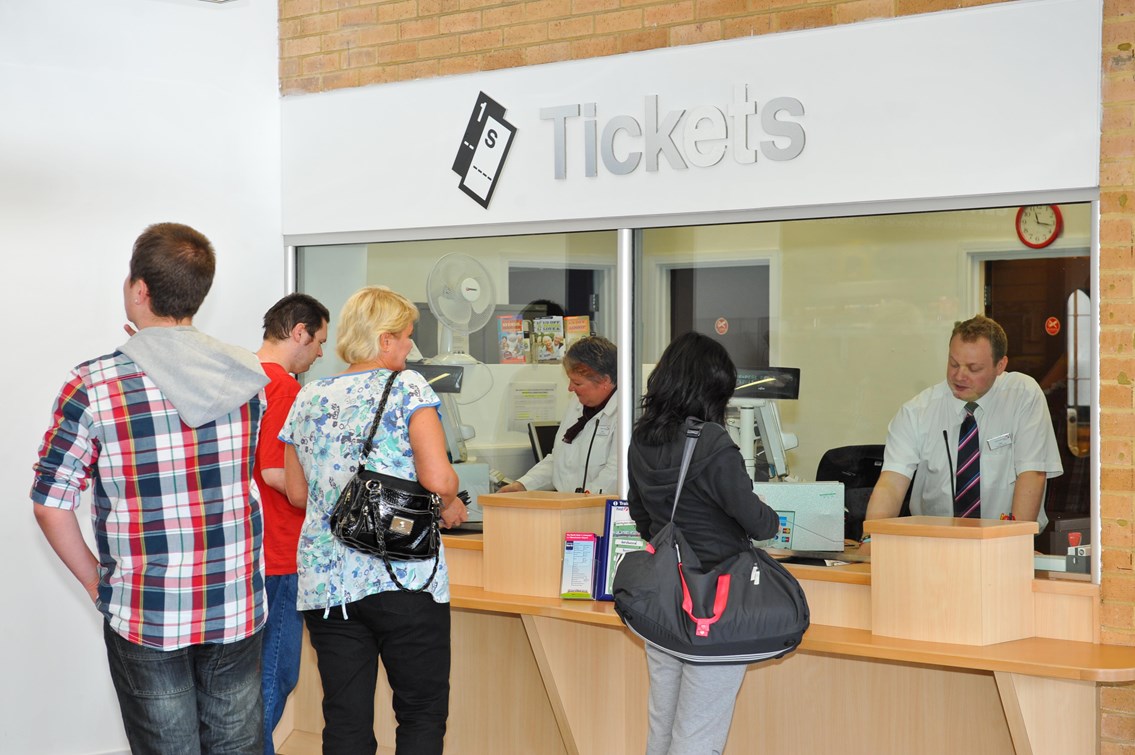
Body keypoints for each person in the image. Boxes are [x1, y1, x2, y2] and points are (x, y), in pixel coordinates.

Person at [31, 223, 270, 754]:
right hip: (235, 599)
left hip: (146, 608)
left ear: (139, 291)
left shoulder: (94, 384)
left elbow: (51, 504)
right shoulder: (250, 377)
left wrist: (97, 585)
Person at [280, 285, 468, 754]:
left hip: (327, 584)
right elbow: (439, 478)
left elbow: (299, 492)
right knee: (420, 712)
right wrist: (450, 502)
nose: (410, 347)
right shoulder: (407, 387)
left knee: (344, 720)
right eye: (406, 336)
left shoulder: (308, 397)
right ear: (384, 340)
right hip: (401, 575)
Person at [627, 331, 779, 755]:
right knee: (699, 734)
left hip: (664, 596)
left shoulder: (641, 440)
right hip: (717, 601)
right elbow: (757, 521)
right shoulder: (711, 441)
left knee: (663, 724)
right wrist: (771, 514)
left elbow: (642, 516)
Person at [864, 314, 1063, 537]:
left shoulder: (1023, 395)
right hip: (932, 543)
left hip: (1005, 541)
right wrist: (871, 539)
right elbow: (891, 484)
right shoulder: (917, 412)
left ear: (1000, 365)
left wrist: (1016, 542)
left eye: (973, 368)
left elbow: (1032, 473)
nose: (959, 376)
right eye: (953, 364)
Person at [254, 293, 330, 755]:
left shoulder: (238, 379)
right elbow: (274, 471)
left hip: (249, 547)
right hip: (280, 552)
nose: (320, 352)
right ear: (298, 332)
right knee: (273, 675)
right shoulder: (282, 389)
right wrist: (330, 495)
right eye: (319, 340)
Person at [498, 335, 618, 495]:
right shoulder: (578, 405)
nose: (570, 389)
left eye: (577, 383)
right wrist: (523, 485)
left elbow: (615, 473)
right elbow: (558, 460)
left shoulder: (626, 415)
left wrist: (581, 503)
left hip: (599, 510)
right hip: (571, 509)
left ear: (605, 381)